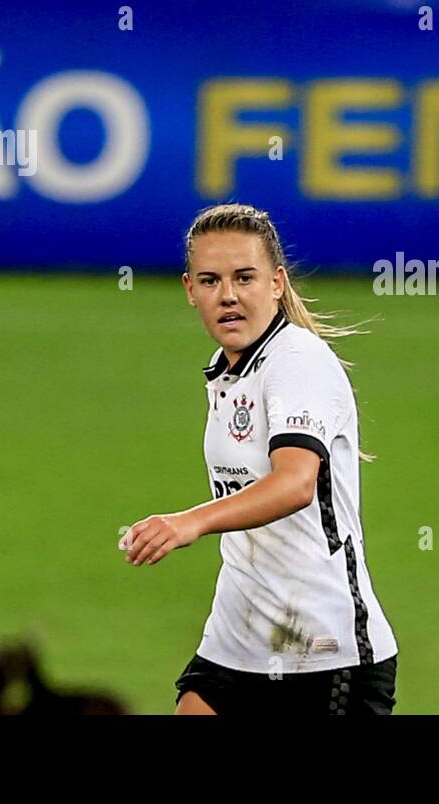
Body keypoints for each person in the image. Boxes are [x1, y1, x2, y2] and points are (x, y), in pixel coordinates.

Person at [120, 203, 398, 715]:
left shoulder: (299, 361)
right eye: (210, 280)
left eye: (244, 278)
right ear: (189, 290)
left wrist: (189, 523)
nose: (227, 295)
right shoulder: (226, 373)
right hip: (238, 640)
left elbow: (294, 484)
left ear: (276, 283)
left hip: (322, 650)